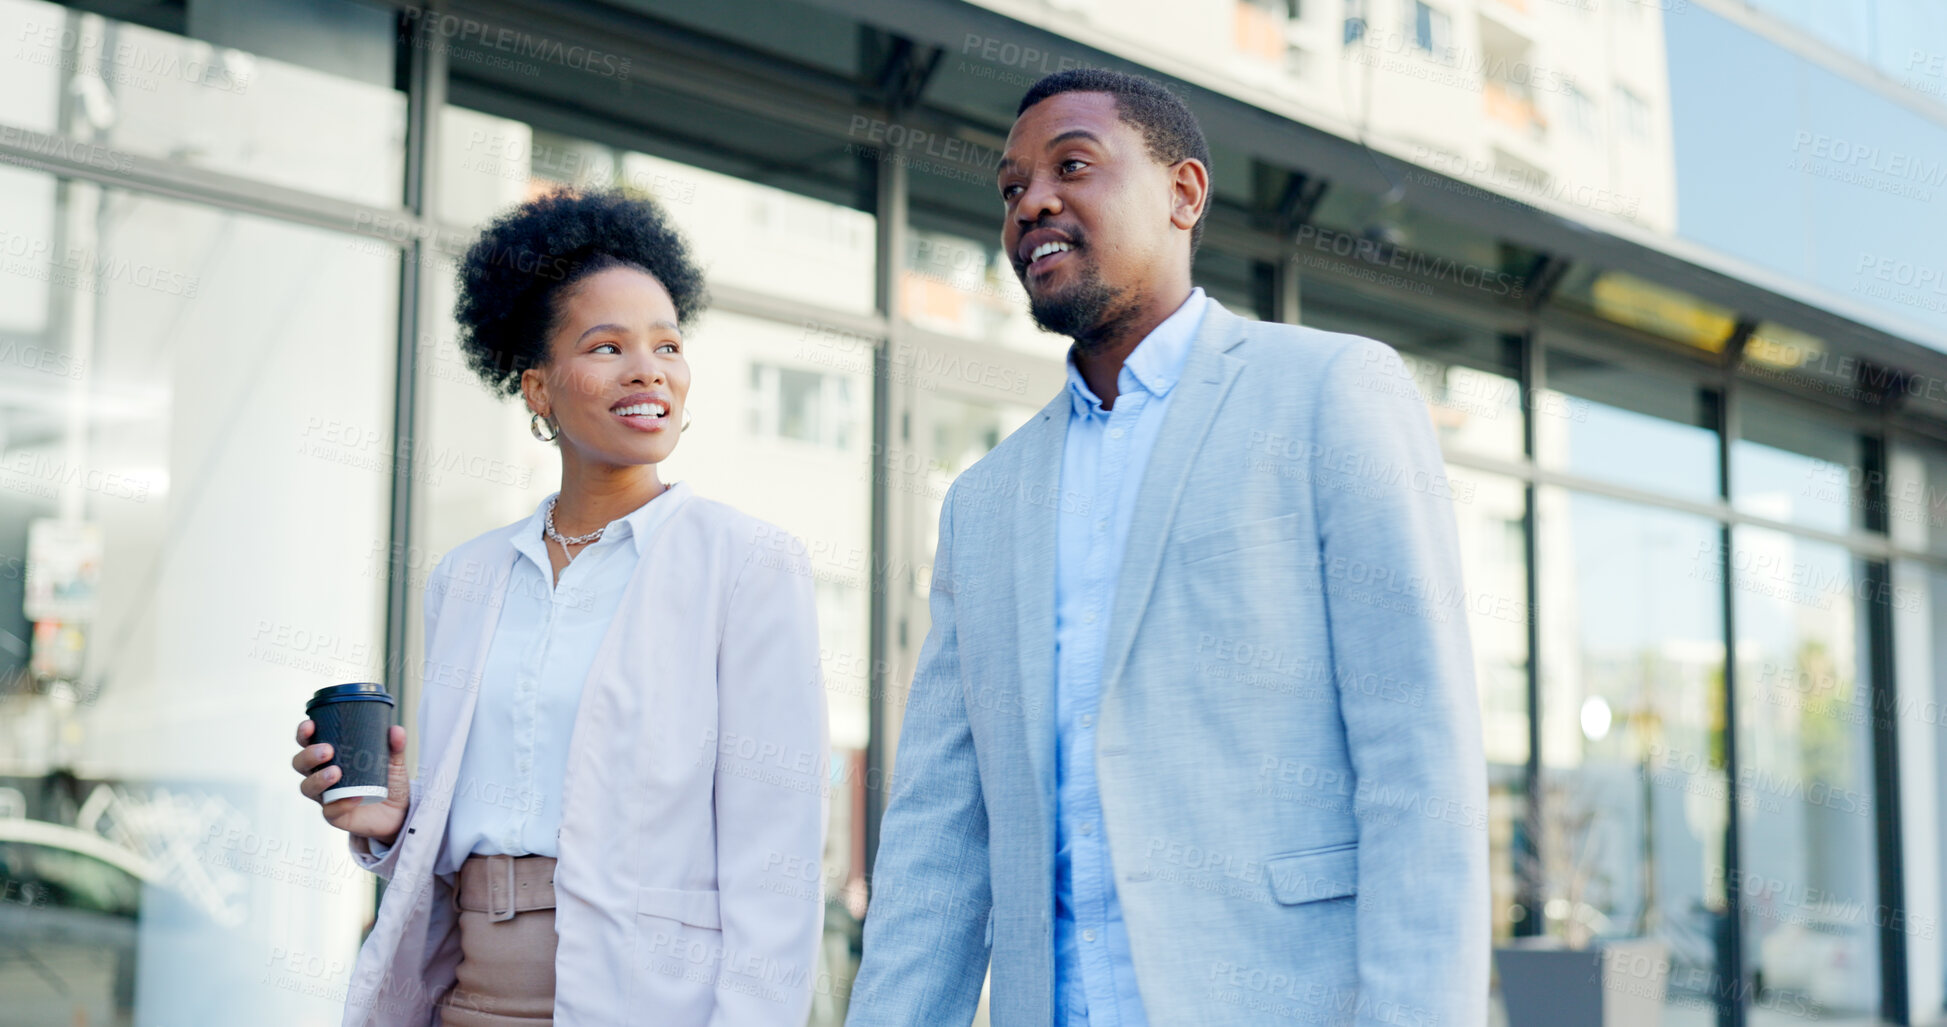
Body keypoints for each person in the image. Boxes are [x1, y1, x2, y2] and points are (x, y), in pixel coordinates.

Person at [846, 69, 1488, 1026]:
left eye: (1072, 166)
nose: (1034, 203)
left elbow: (1419, 759)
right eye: (1012, 187)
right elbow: (939, 837)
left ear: (1184, 193)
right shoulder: (984, 501)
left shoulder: (1330, 393)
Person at [291, 188, 829, 1026]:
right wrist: (397, 819)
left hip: (644, 1000)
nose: (648, 369)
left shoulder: (747, 564)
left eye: (667, 345)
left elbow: (776, 859)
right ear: (537, 387)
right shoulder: (469, 575)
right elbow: (479, 817)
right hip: (466, 992)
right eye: (606, 346)